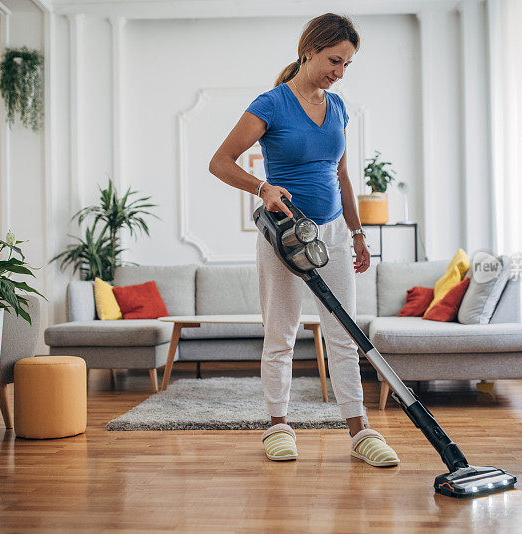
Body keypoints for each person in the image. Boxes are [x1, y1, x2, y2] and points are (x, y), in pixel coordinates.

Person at [209, 13, 399, 467]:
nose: (339, 71)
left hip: (332, 230)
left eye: (347, 64)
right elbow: (220, 161)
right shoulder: (271, 104)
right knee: (281, 334)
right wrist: (262, 187)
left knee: (344, 333)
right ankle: (278, 425)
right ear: (309, 50)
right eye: (335, 60)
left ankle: (359, 430)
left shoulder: (337, 107)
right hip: (286, 233)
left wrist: (357, 234)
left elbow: (341, 174)